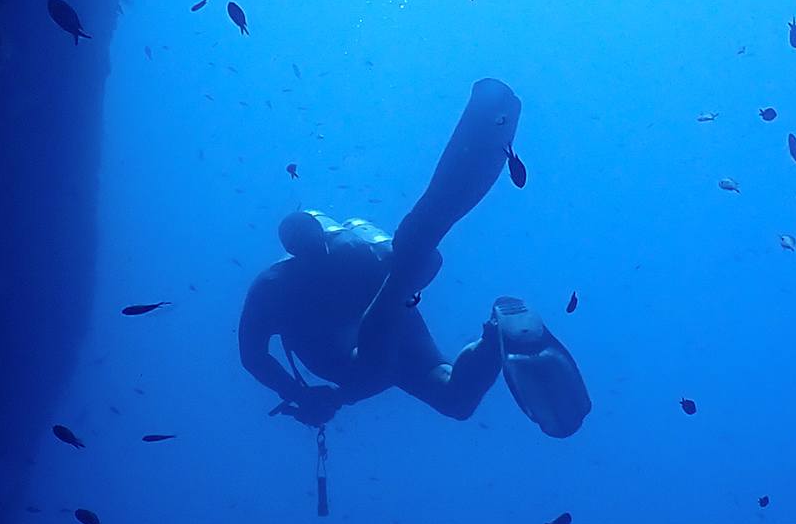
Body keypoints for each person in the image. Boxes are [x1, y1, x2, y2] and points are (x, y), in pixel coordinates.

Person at [237, 79, 589, 437]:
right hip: (388, 328)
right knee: (456, 399)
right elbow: (426, 263)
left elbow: (253, 355)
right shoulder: (296, 278)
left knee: (379, 355)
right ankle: (491, 340)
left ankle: (411, 261)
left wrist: (299, 394)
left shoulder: (276, 285)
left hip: (367, 354)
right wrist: (299, 393)